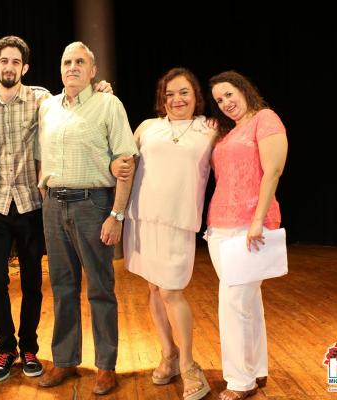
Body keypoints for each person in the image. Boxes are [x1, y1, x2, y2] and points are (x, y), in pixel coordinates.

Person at [0, 35, 113, 382]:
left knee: (31, 283)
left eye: (16, 62)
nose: (9, 67)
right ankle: (5, 347)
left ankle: (29, 347)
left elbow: (74, 101)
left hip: (31, 203)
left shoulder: (42, 99)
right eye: (4, 61)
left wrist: (100, 87)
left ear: (24, 67)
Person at [36, 41, 138, 396]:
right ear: (60, 68)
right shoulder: (47, 107)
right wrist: (44, 192)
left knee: (100, 289)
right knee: (62, 288)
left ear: (93, 71)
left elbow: (126, 162)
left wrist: (117, 215)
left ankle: (106, 366)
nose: (72, 67)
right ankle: (64, 360)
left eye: (80, 61)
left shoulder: (109, 104)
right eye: (67, 61)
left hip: (92, 205)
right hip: (53, 205)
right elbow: (40, 156)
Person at [116, 67, 213, 400]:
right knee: (154, 289)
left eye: (183, 92)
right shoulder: (148, 127)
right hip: (143, 219)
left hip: (179, 222)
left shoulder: (209, 129)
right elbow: (123, 162)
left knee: (172, 291)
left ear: (195, 95)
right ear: (162, 99)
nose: (176, 99)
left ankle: (189, 365)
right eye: (169, 94)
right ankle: (168, 354)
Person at [206, 70, 288, 400]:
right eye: (218, 100)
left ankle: (241, 382)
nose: (225, 103)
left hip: (249, 227)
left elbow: (273, 171)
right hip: (219, 226)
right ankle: (256, 370)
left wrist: (257, 221)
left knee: (233, 302)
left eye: (229, 94)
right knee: (247, 303)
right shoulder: (229, 132)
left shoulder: (265, 119)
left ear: (243, 89)